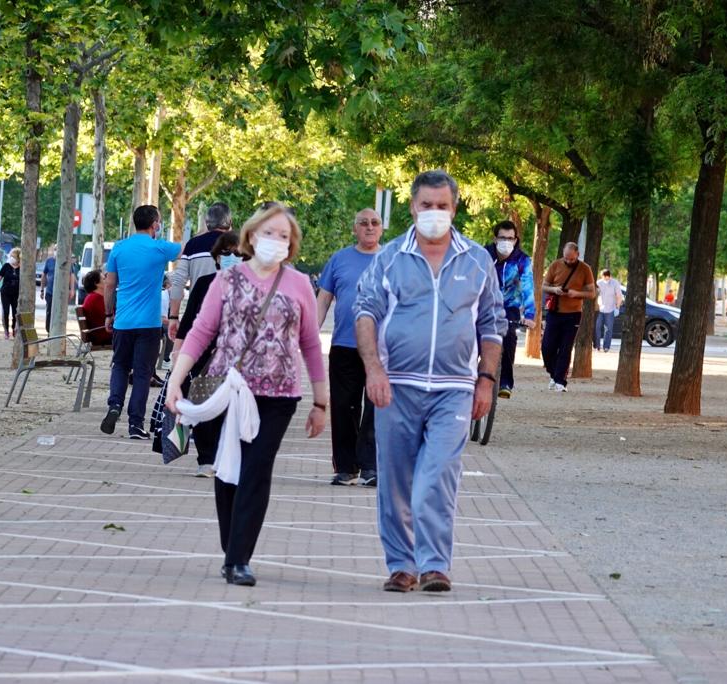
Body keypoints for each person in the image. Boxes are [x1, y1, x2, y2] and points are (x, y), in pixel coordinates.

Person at [355, 170, 506, 593]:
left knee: (436, 476)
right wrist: (374, 370)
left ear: (455, 209)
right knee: (395, 480)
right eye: (427, 206)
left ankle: (435, 564)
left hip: (454, 389)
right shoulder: (389, 258)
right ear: (413, 207)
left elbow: (493, 325)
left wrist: (486, 380)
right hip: (396, 386)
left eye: (442, 206)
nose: (434, 213)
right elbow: (365, 313)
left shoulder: (477, 260)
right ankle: (402, 565)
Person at [165, 203, 327, 587]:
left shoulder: (300, 283)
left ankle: (239, 558)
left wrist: (322, 402)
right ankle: (231, 546)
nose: (276, 242)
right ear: (251, 236)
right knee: (228, 468)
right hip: (229, 390)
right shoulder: (227, 279)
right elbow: (202, 331)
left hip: (279, 395)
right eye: (269, 233)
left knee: (255, 469)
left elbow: (309, 344)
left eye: (284, 236)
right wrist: (175, 380)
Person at [157, 232, 242, 478]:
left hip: (238, 356)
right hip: (205, 356)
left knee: (232, 407)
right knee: (205, 404)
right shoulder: (205, 283)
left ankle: (227, 456)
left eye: (237, 254)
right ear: (216, 258)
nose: (231, 258)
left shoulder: (251, 287)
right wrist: (177, 354)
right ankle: (206, 458)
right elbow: (188, 322)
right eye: (226, 253)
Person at [100, 205, 182, 439]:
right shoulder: (159, 248)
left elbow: (109, 284)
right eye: (159, 222)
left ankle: (114, 405)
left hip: (123, 322)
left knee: (120, 366)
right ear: (155, 224)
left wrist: (108, 314)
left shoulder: (119, 247)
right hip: (148, 324)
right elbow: (187, 250)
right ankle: (136, 425)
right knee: (144, 374)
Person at [316, 208, 382, 487]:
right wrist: (309, 336)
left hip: (382, 349)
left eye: (374, 223)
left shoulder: (392, 260)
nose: (369, 227)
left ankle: (371, 466)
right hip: (344, 344)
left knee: (377, 406)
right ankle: (346, 467)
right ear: (354, 229)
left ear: (381, 228)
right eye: (363, 223)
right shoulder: (339, 259)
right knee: (343, 407)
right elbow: (323, 300)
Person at [167, 202, 233, 341]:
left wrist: (173, 317)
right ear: (230, 222)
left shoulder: (193, 245)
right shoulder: (240, 246)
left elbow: (178, 282)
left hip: (199, 315)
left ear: (207, 223)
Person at [485, 221, 536, 398]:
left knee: (509, 339)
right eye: (502, 238)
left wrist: (529, 314)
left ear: (515, 240)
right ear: (495, 238)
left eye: (510, 238)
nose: (506, 241)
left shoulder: (522, 260)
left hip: (509, 309)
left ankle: (505, 381)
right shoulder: (483, 255)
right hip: (483, 305)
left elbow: (528, 286)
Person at [541, 242, 596, 392]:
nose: (568, 261)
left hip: (573, 314)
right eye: (566, 258)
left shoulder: (585, 269)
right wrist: (554, 289)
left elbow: (592, 293)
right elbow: (543, 286)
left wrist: (576, 294)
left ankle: (560, 381)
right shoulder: (555, 265)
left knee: (565, 348)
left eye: (571, 259)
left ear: (577, 254)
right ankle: (553, 374)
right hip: (554, 311)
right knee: (546, 347)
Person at [40, 245, 77, 333]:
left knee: (60, 313)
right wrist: (42, 289)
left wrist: (72, 290)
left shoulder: (68, 262)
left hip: (62, 293)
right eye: (56, 249)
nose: (57, 251)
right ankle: (49, 331)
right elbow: (44, 275)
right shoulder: (49, 261)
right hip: (50, 292)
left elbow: (71, 276)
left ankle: (58, 331)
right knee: (49, 312)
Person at [0, 248, 21, 339]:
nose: (11, 258)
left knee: (15, 312)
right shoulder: (6, 266)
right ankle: (6, 331)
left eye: (13, 256)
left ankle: (14, 328)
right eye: (10, 256)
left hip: (16, 294)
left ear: (18, 258)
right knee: (6, 311)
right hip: (5, 293)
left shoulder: (22, 268)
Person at [80, 269, 112, 346]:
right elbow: (112, 317)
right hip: (104, 336)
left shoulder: (92, 297)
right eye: (104, 279)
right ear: (96, 283)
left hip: (100, 333)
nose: (107, 280)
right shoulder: (96, 299)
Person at [594, 269, 623, 353]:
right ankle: (597, 346)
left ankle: (606, 347)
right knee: (597, 328)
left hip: (610, 309)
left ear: (610, 276)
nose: (606, 279)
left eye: (607, 277)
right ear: (602, 276)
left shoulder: (615, 283)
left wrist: (617, 307)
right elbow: (596, 294)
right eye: (604, 277)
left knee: (608, 329)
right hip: (600, 309)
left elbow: (619, 296)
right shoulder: (599, 283)